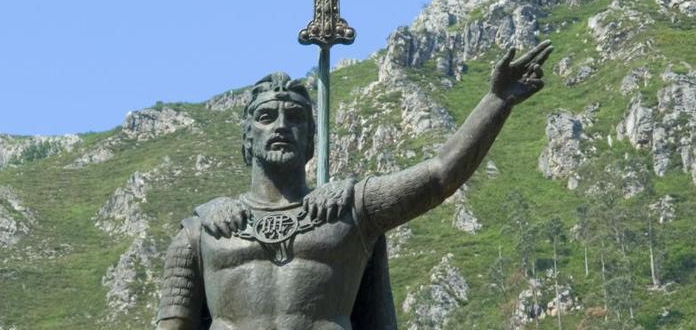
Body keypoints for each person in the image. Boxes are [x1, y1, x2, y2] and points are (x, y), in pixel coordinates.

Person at [155, 41, 553, 330]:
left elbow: (438, 175)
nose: (280, 126)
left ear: (312, 138)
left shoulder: (351, 209)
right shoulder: (202, 229)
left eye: (295, 117)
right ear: (247, 137)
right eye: (266, 117)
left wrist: (496, 102)